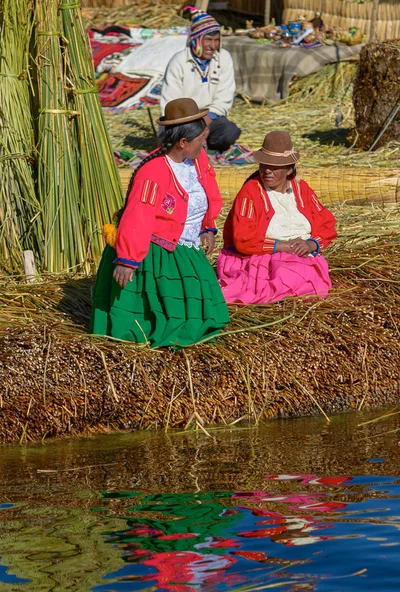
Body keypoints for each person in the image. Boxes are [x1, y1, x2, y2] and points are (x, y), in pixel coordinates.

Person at [90, 98, 230, 347]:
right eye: (200, 140)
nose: (204, 144)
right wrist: (128, 260)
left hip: (186, 246)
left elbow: (207, 193)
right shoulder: (153, 172)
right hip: (157, 249)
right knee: (173, 319)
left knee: (206, 312)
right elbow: (138, 216)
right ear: (183, 142)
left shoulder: (198, 160)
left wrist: (207, 226)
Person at [217, 131, 337, 304]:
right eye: (264, 165)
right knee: (286, 275)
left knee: (305, 276)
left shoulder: (301, 189)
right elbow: (243, 238)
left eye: (274, 167)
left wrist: (310, 244)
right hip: (261, 257)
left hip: (302, 256)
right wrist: (284, 246)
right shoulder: (251, 191)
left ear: (289, 169)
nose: (267, 171)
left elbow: (327, 224)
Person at [160, 6, 240, 154]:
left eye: (216, 40)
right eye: (208, 40)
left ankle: (201, 144)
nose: (213, 46)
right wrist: (192, 127)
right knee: (173, 138)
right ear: (196, 39)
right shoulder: (179, 61)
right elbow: (170, 102)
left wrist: (204, 124)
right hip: (181, 121)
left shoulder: (223, 58)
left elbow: (224, 98)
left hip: (209, 118)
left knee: (230, 132)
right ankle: (194, 144)